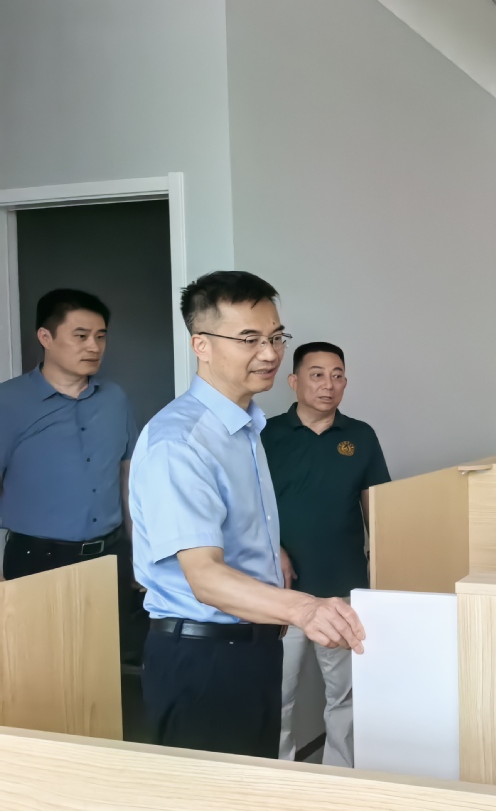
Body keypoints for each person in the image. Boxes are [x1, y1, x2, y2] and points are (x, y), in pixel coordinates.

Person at [129, 271, 366, 758]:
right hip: (203, 658)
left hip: (252, 647)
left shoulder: (244, 428)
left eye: (276, 337)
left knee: (255, 784)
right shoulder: (181, 441)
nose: (269, 353)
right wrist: (305, 608)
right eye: (249, 339)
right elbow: (205, 578)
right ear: (201, 345)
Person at [262, 342, 391, 767]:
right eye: (316, 374)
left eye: (337, 376)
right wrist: (274, 549)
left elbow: (378, 510)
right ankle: (278, 778)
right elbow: (245, 508)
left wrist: (383, 575)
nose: (328, 385)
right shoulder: (264, 435)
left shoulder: (361, 436)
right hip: (281, 592)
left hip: (344, 588)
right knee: (277, 694)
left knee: (346, 696)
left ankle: (341, 777)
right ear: (294, 381)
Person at [0, 289, 139, 661]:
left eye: (100, 336)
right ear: (45, 337)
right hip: (36, 561)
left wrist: (138, 552)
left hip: (109, 557)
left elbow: (126, 476)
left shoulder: (115, 399)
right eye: (81, 335)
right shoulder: (7, 402)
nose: (94, 346)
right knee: (40, 672)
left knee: (103, 669)